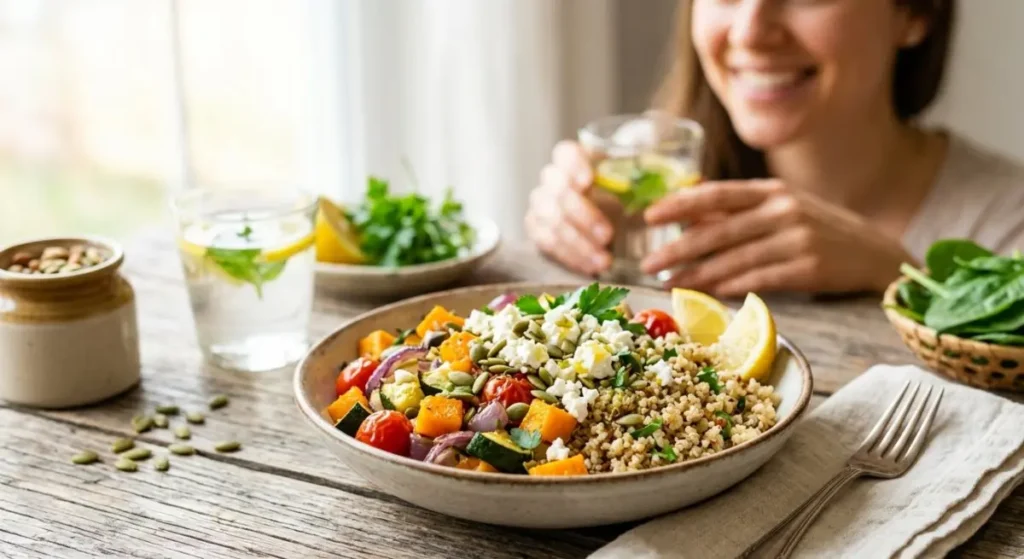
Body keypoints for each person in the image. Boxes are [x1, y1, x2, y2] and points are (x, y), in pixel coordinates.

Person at [525, 0, 1024, 297]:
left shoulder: (1009, 223)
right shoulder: (650, 169)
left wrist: (896, 277)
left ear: (915, 15)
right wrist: (565, 222)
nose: (750, 32)